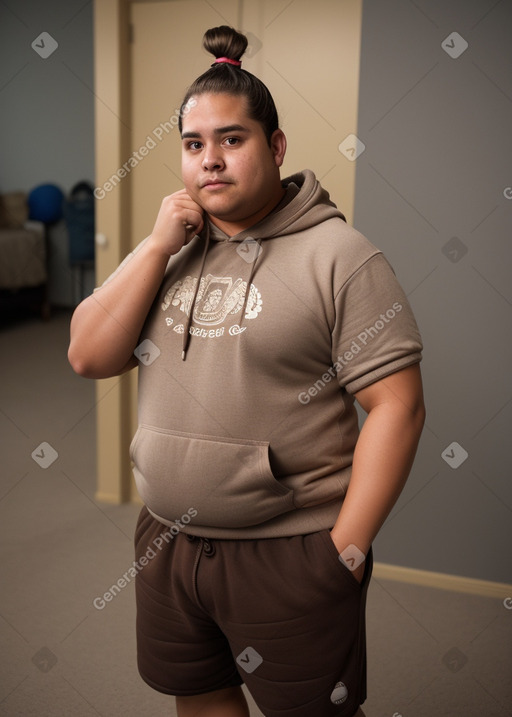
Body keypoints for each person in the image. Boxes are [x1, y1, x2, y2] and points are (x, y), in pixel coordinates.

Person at [69, 25, 425, 717]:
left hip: (289, 553)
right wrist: (153, 245)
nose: (212, 160)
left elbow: (398, 408)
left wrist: (344, 553)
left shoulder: (342, 257)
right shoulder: (169, 251)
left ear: (276, 145)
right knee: (201, 699)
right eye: (194, 144)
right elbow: (89, 354)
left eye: (232, 139)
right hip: (168, 540)